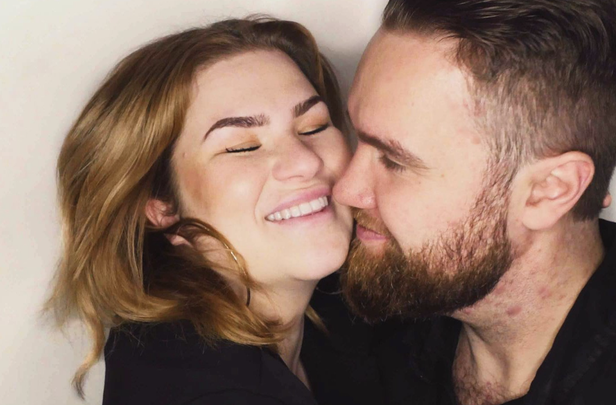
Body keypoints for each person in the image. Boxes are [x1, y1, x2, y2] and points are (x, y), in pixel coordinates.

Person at [332, 1, 616, 404]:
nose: (345, 189)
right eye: (356, 136)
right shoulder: (364, 333)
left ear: (549, 190)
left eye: (394, 161)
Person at [45, 17, 381, 405]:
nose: (305, 161)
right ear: (162, 207)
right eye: (242, 147)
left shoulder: (344, 312)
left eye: (314, 126)